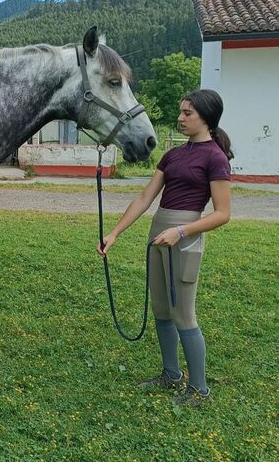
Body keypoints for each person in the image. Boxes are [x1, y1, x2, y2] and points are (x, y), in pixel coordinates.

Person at [97, 89, 233, 407]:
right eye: (181, 112)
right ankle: (171, 374)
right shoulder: (173, 155)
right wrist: (114, 233)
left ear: (207, 118)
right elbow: (145, 198)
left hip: (184, 238)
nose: (181, 118)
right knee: (161, 309)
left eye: (188, 113)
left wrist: (181, 231)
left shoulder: (215, 157)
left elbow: (223, 214)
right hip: (159, 233)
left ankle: (199, 389)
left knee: (183, 313)